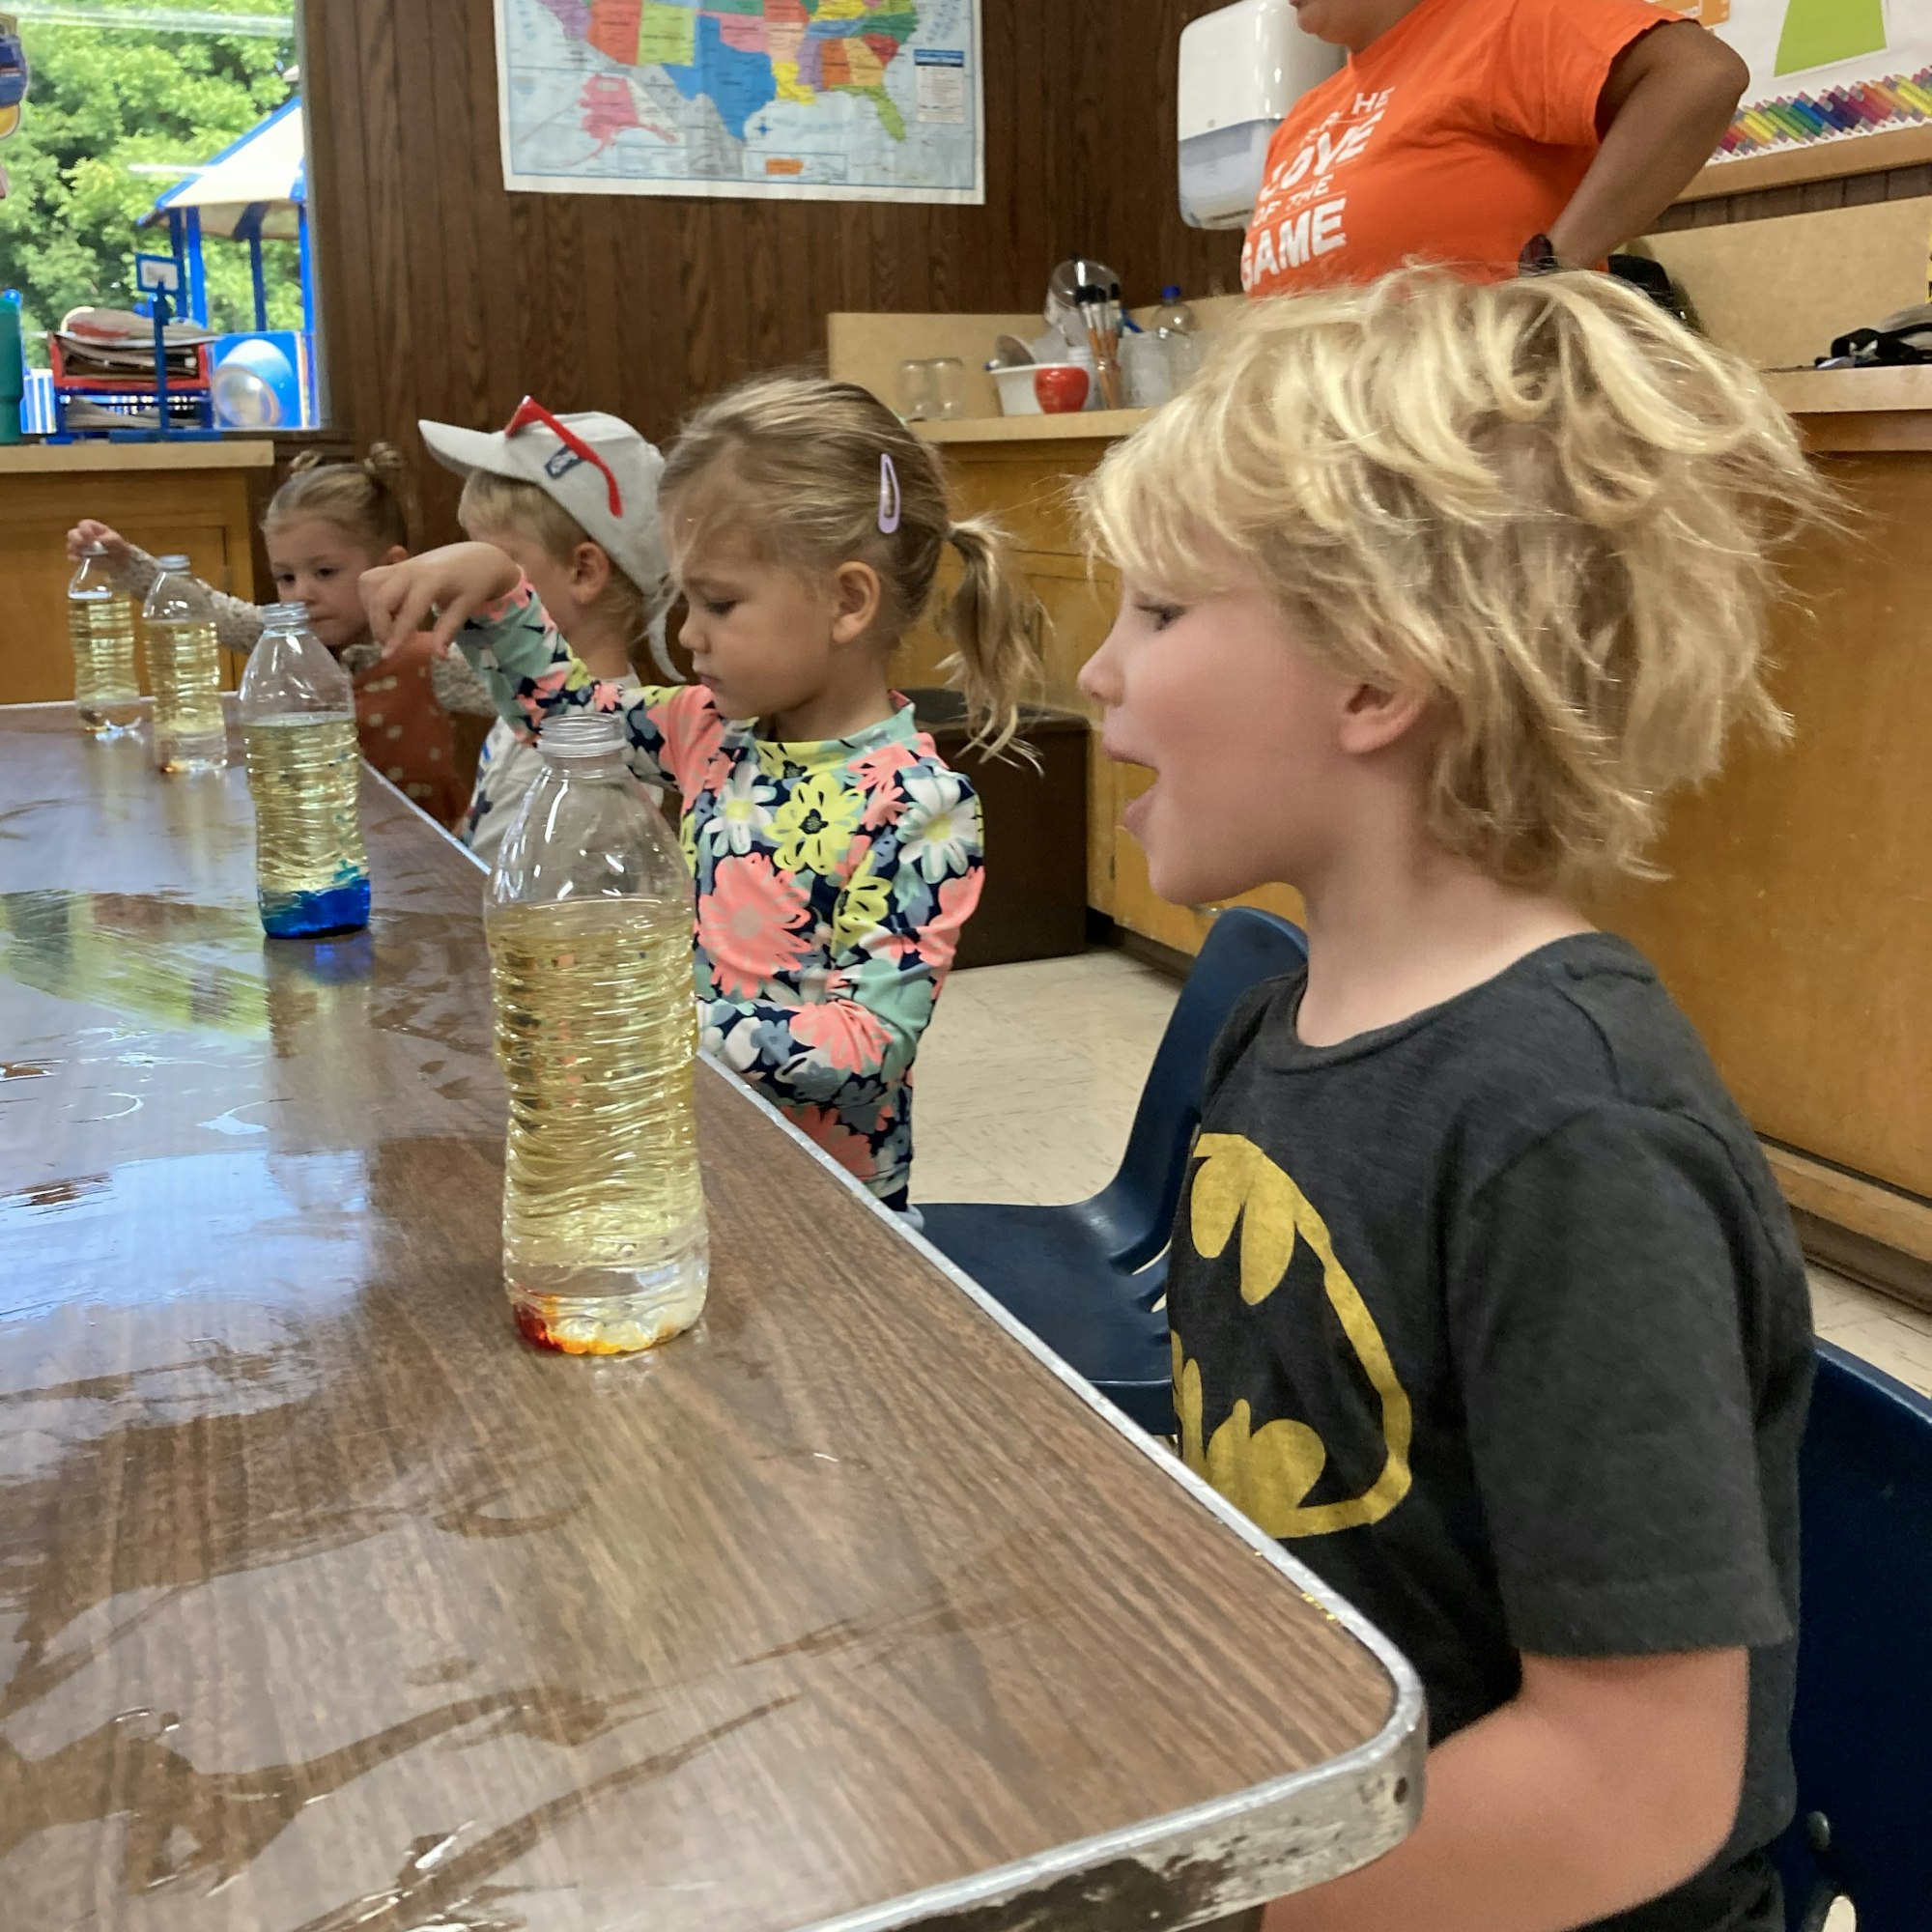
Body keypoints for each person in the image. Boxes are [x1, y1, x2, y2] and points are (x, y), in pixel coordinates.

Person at [1078, 270, 1824, 1931]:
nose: (1097, 673)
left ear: (1374, 677)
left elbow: (1632, 1785)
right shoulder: (1278, 1020)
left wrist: (1182, 1898)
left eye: (1161, 613)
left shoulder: (1571, 1135)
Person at [362, 375, 1039, 1212]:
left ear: (847, 600)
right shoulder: (706, 729)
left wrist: (656, 1022)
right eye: (686, 600)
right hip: (694, 1149)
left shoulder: (919, 804)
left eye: (718, 603)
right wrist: (499, 587)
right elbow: (571, 715)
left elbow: (867, 1046)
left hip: (826, 1203)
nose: (686, 635)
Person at [66, 448, 495, 826]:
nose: (301, 593)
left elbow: (532, 698)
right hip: (316, 852)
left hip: (428, 863)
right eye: (285, 577)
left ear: (391, 565)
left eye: (325, 572)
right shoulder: (286, 644)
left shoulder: (429, 657)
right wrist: (126, 563)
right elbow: (213, 610)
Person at [1242, 0, 1749, 297]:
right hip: (1335, 455)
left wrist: (1551, 273)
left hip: (1497, 440)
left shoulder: (1496, 19)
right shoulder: (1303, 120)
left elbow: (1699, 75)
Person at [417, 401, 679, 865]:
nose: (469, 575)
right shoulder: (533, 704)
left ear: (582, 571)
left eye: (496, 562)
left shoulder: (595, 750)